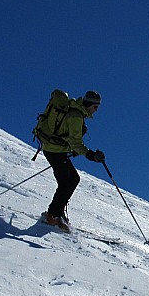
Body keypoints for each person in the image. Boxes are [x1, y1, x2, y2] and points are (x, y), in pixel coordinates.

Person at [40, 90, 105, 232]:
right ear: (89, 105)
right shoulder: (76, 116)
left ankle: (56, 212)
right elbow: (76, 142)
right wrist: (91, 155)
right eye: (95, 107)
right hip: (54, 150)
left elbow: (68, 136)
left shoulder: (75, 110)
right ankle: (52, 216)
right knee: (67, 182)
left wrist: (73, 148)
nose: (96, 111)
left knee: (72, 179)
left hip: (55, 149)